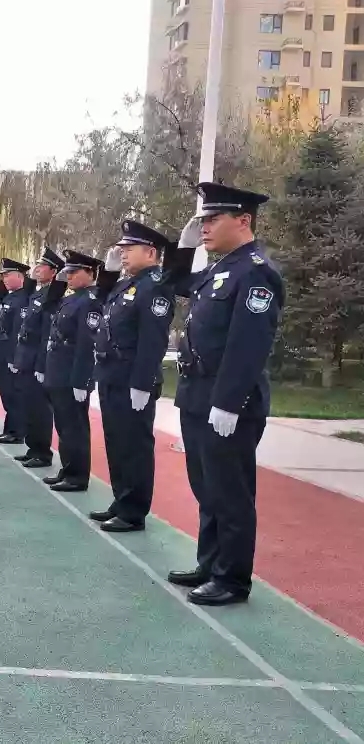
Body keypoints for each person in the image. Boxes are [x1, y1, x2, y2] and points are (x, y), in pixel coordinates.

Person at [164, 182, 284, 606]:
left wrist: (229, 402)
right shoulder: (222, 270)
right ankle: (210, 563)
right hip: (198, 394)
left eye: (213, 219)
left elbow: (248, 345)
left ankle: (231, 578)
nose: (205, 227)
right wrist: (183, 248)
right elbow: (177, 282)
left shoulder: (255, 272)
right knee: (207, 488)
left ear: (243, 220)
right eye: (203, 220)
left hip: (228, 402)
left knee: (231, 493)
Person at [90, 220, 175, 533]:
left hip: (131, 380)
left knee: (134, 446)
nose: (122, 253)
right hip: (112, 375)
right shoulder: (128, 284)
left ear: (150, 252)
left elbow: (152, 341)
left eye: (129, 249)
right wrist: (109, 273)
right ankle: (121, 501)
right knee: (116, 443)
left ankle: (133, 511)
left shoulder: (156, 286)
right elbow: (101, 304)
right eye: (121, 249)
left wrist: (142, 383)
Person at [43, 250, 104, 492]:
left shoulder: (90, 301)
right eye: (66, 272)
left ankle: (77, 476)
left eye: (73, 272)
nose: (68, 276)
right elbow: (48, 305)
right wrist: (58, 282)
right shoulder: (71, 299)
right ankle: (67, 469)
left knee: (74, 428)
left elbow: (87, 344)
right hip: (58, 370)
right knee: (64, 426)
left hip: (72, 374)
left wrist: (81, 380)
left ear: (90, 273)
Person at [13, 246, 66, 469]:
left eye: (42, 266)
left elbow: (46, 333)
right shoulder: (37, 293)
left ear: (54, 272)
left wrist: (41, 365)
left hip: (38, 359)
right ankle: (32, 448)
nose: (37, 269)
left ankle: (42, 452)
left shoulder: (53, 297)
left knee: (40, 409)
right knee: (28, 406)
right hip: (26, 357)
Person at [0, 260, 33, 444]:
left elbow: (18, 332)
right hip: (1, 352)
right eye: (3, 276)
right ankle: (10, 429)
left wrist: (13, 358)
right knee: (6, 394)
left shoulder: (23, 299)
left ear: (19, 276)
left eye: (8, 275)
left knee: (14, 394)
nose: (4, 279)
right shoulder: (10, 298)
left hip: (10, 354)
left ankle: (17, 432)